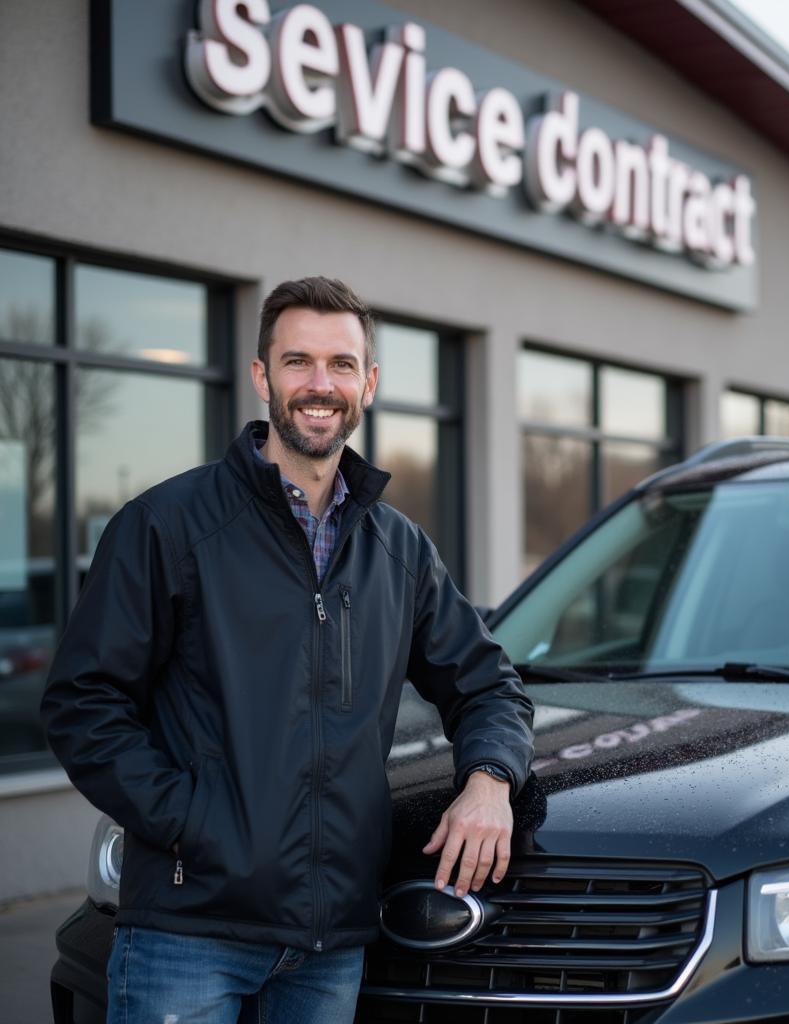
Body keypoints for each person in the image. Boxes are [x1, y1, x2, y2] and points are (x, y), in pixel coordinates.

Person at [41, 276, 534, 1023]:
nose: (319, 385)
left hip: (329, 947)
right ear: (261, 376)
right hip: (188, 933)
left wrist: (491, 779)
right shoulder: (167, 527)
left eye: (341, 365)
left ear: (367, 383)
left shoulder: (396, 551)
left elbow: (490, 686)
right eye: (298, 361)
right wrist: (195, 824)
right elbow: (83, 704)